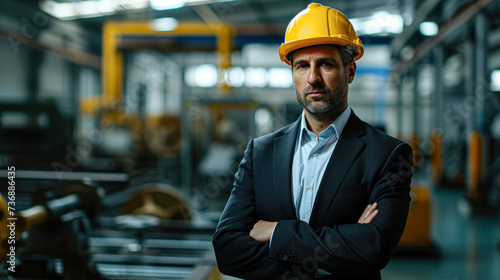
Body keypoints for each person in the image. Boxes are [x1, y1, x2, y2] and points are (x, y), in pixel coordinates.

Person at [212, 3, 413, 280]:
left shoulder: (387, 155)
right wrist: (337, 252)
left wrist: (277, 232)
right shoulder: (261, 152)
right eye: (302, 66)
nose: (313, 78)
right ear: (292, 74)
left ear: (350, 71)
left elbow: (374, 247)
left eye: (326, 64)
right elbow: (227, 249)